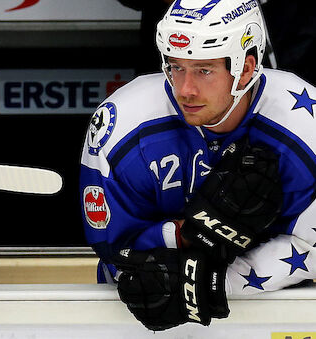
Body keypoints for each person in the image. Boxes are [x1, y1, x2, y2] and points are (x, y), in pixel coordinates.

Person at [80, 0, 316, 331]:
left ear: (246, 68)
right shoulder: (124, 126)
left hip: (274, 320)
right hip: (140, 317)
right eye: (176, 68)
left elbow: (311, 247)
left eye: (204, 70)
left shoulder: (305, 126)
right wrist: (189, 235)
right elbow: (113, 247)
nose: (185, 90)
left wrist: (217, 285)